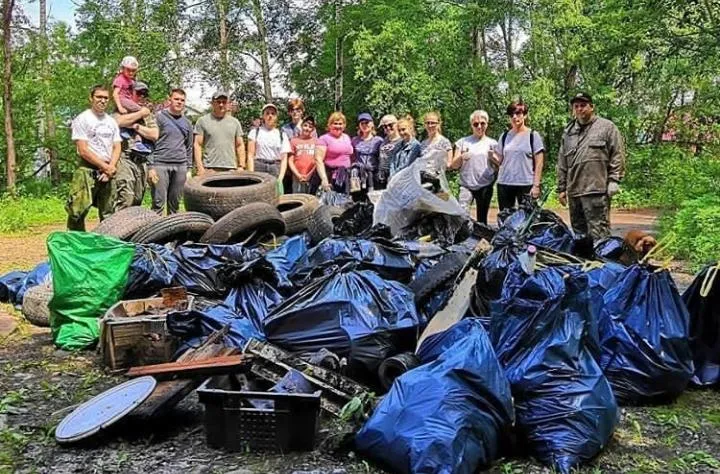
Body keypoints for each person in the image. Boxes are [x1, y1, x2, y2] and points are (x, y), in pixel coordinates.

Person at [557, 92, 625, 240]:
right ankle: (584, 262)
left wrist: (614, 180)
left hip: (596, 191)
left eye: (583, 105)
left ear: (592, 107)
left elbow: (617, 154)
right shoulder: (568, 132)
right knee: (579, 236)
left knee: (599, 234)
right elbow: (562, 162)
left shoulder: (607, 127)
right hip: (574, 192)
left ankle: (602, 262)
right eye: (576, 106)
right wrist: (561, 188)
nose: (580, 109)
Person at [66, 85, 121, 231]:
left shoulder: (111, 121)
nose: (102, 101)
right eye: (99, 97)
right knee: (77, 211)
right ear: (91, 98)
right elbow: (83, 150)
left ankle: (107, 247)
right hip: (87, 170)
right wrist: (105, 167)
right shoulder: (82, 119)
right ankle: (76, 246)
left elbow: (117, 147)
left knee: (109, 213)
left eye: (105, 98)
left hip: (108, 171)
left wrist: (111, 167)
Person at [112, 81, 158, 210]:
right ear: (130, 94)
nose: (142, 96)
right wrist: (140, 114)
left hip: (142, 162)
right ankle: (117, 229)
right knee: (125, 198)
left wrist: (135, 126)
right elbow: (117, 122)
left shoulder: (149, 115)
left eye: (144, 93)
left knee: (137, 200)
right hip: (125, 159)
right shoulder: (121, 110)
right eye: (138, 93)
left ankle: (130, 229)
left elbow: (154, 134)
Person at [148, 88, 194, 215]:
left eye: (182, 100)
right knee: (158, 203)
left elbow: (189, 147)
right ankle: (155, 233)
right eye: (176, 99)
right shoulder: (159, 118)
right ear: (169, 100)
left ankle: (172, 233)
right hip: (160, 164)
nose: (179, 102)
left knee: (175, 204)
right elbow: (150, 143)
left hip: (180, 166)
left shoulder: (187, 123)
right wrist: (151, 167)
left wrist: (189, 169)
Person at [448, 110, 498, 225]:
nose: (479, 126)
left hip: (485, 186)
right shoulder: (462, 142)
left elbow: (498, 167)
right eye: (476, 124)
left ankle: (481, 241)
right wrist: (461, 157)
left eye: (482, 123)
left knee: (482, 220)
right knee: (462, 217)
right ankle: (463, 241)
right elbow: (453, 165)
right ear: (471, 125)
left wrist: (493, 157)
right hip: (466, 185)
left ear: (487, 124)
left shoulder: (493, 143)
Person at [494, 99, 545, 211]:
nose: (514, 117)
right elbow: (500, 160)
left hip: (526, 183)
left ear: (525, 115)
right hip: (505, 183)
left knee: (526, 219)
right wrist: (490, 155)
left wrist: (536, 185)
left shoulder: (533, 135)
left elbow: (539, 162)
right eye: (511, 114)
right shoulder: (504, 136)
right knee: (505, 220)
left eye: (518, 113)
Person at [193, 90, 246, 175]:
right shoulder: (202, 121)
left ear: (228, 104)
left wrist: (241, 166)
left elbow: (240, 145)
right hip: (209, 169)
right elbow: (197, 145)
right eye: (218, 102)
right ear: (212, 103)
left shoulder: (235, 122)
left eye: (224, 102)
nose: (221, 104)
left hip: (231, 169)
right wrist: (200, 168)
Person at [247, 103, 291, 191]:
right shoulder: (255, 132)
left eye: (272, 113)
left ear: (276, 117)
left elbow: (284, 159)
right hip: (259, 166)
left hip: (275, 167)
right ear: (263, 116)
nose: (270, 116)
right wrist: (251, 174)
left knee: (274, 196)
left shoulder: (282, 135)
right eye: (267, 113)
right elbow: (250, 155)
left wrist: (280, 177)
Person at [316, 112, 353, 193]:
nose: (338, 126)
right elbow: (318, 160)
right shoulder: (323, 139)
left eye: (340, 124)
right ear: (329, 125)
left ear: (344, 125)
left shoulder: (347, 137)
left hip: (346, 176)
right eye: (335, 123)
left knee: (346, 203)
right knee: (332, 204)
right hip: (332, 178)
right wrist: (324, 179)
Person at [351, 112, 383, 192]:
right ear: (359, 126)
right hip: (357, 175)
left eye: (367, 122)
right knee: (357, 198)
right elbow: (351, 157)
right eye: (362, 123)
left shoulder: (379, 140)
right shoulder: (355, 140)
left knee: (373, 199)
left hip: (373, 175)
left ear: (372, 124)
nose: (364, 125)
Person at [288, 115, 319, 194]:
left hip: (312, 176)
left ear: (313, 129)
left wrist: (309, 174)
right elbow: (290, 160)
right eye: (305, 125)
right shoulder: (294, 141)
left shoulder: (316, 141)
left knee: (311, 199)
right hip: (297, 176)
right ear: (301, 126)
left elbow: (318, 160)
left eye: (310, 127)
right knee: (297, 199)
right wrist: (298, 175)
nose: (307, 128)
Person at [420, 110, 453, 177]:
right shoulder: (423, 143)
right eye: (427, 123)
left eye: (433, 123)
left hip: (437, 180)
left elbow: (449, 164)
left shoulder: (444, 142)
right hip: (423, 179)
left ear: (439, 124)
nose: (430, 125)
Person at [376, 114, 401, 189]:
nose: (388, 128)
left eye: (390, 125)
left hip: (396, 177)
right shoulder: (384, 141)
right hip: (382, 177)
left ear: (396, 124)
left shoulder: (402, 141)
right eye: (385, 126)